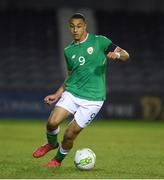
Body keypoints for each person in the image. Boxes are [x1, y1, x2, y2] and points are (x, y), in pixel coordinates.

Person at [32, 13, 130, 168]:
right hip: (72, 93)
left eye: (79, 26)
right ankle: (51, 144)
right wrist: (57, 94)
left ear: (85, 26)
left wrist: (117, 54)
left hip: (93, 99)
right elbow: (71, 75)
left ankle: (57, 160)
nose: (75, 29)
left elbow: (126, 55)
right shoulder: (68, 51)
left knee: (69, 135)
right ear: (69, 28)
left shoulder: (100, 41)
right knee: (52, 123)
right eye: (72, 26)